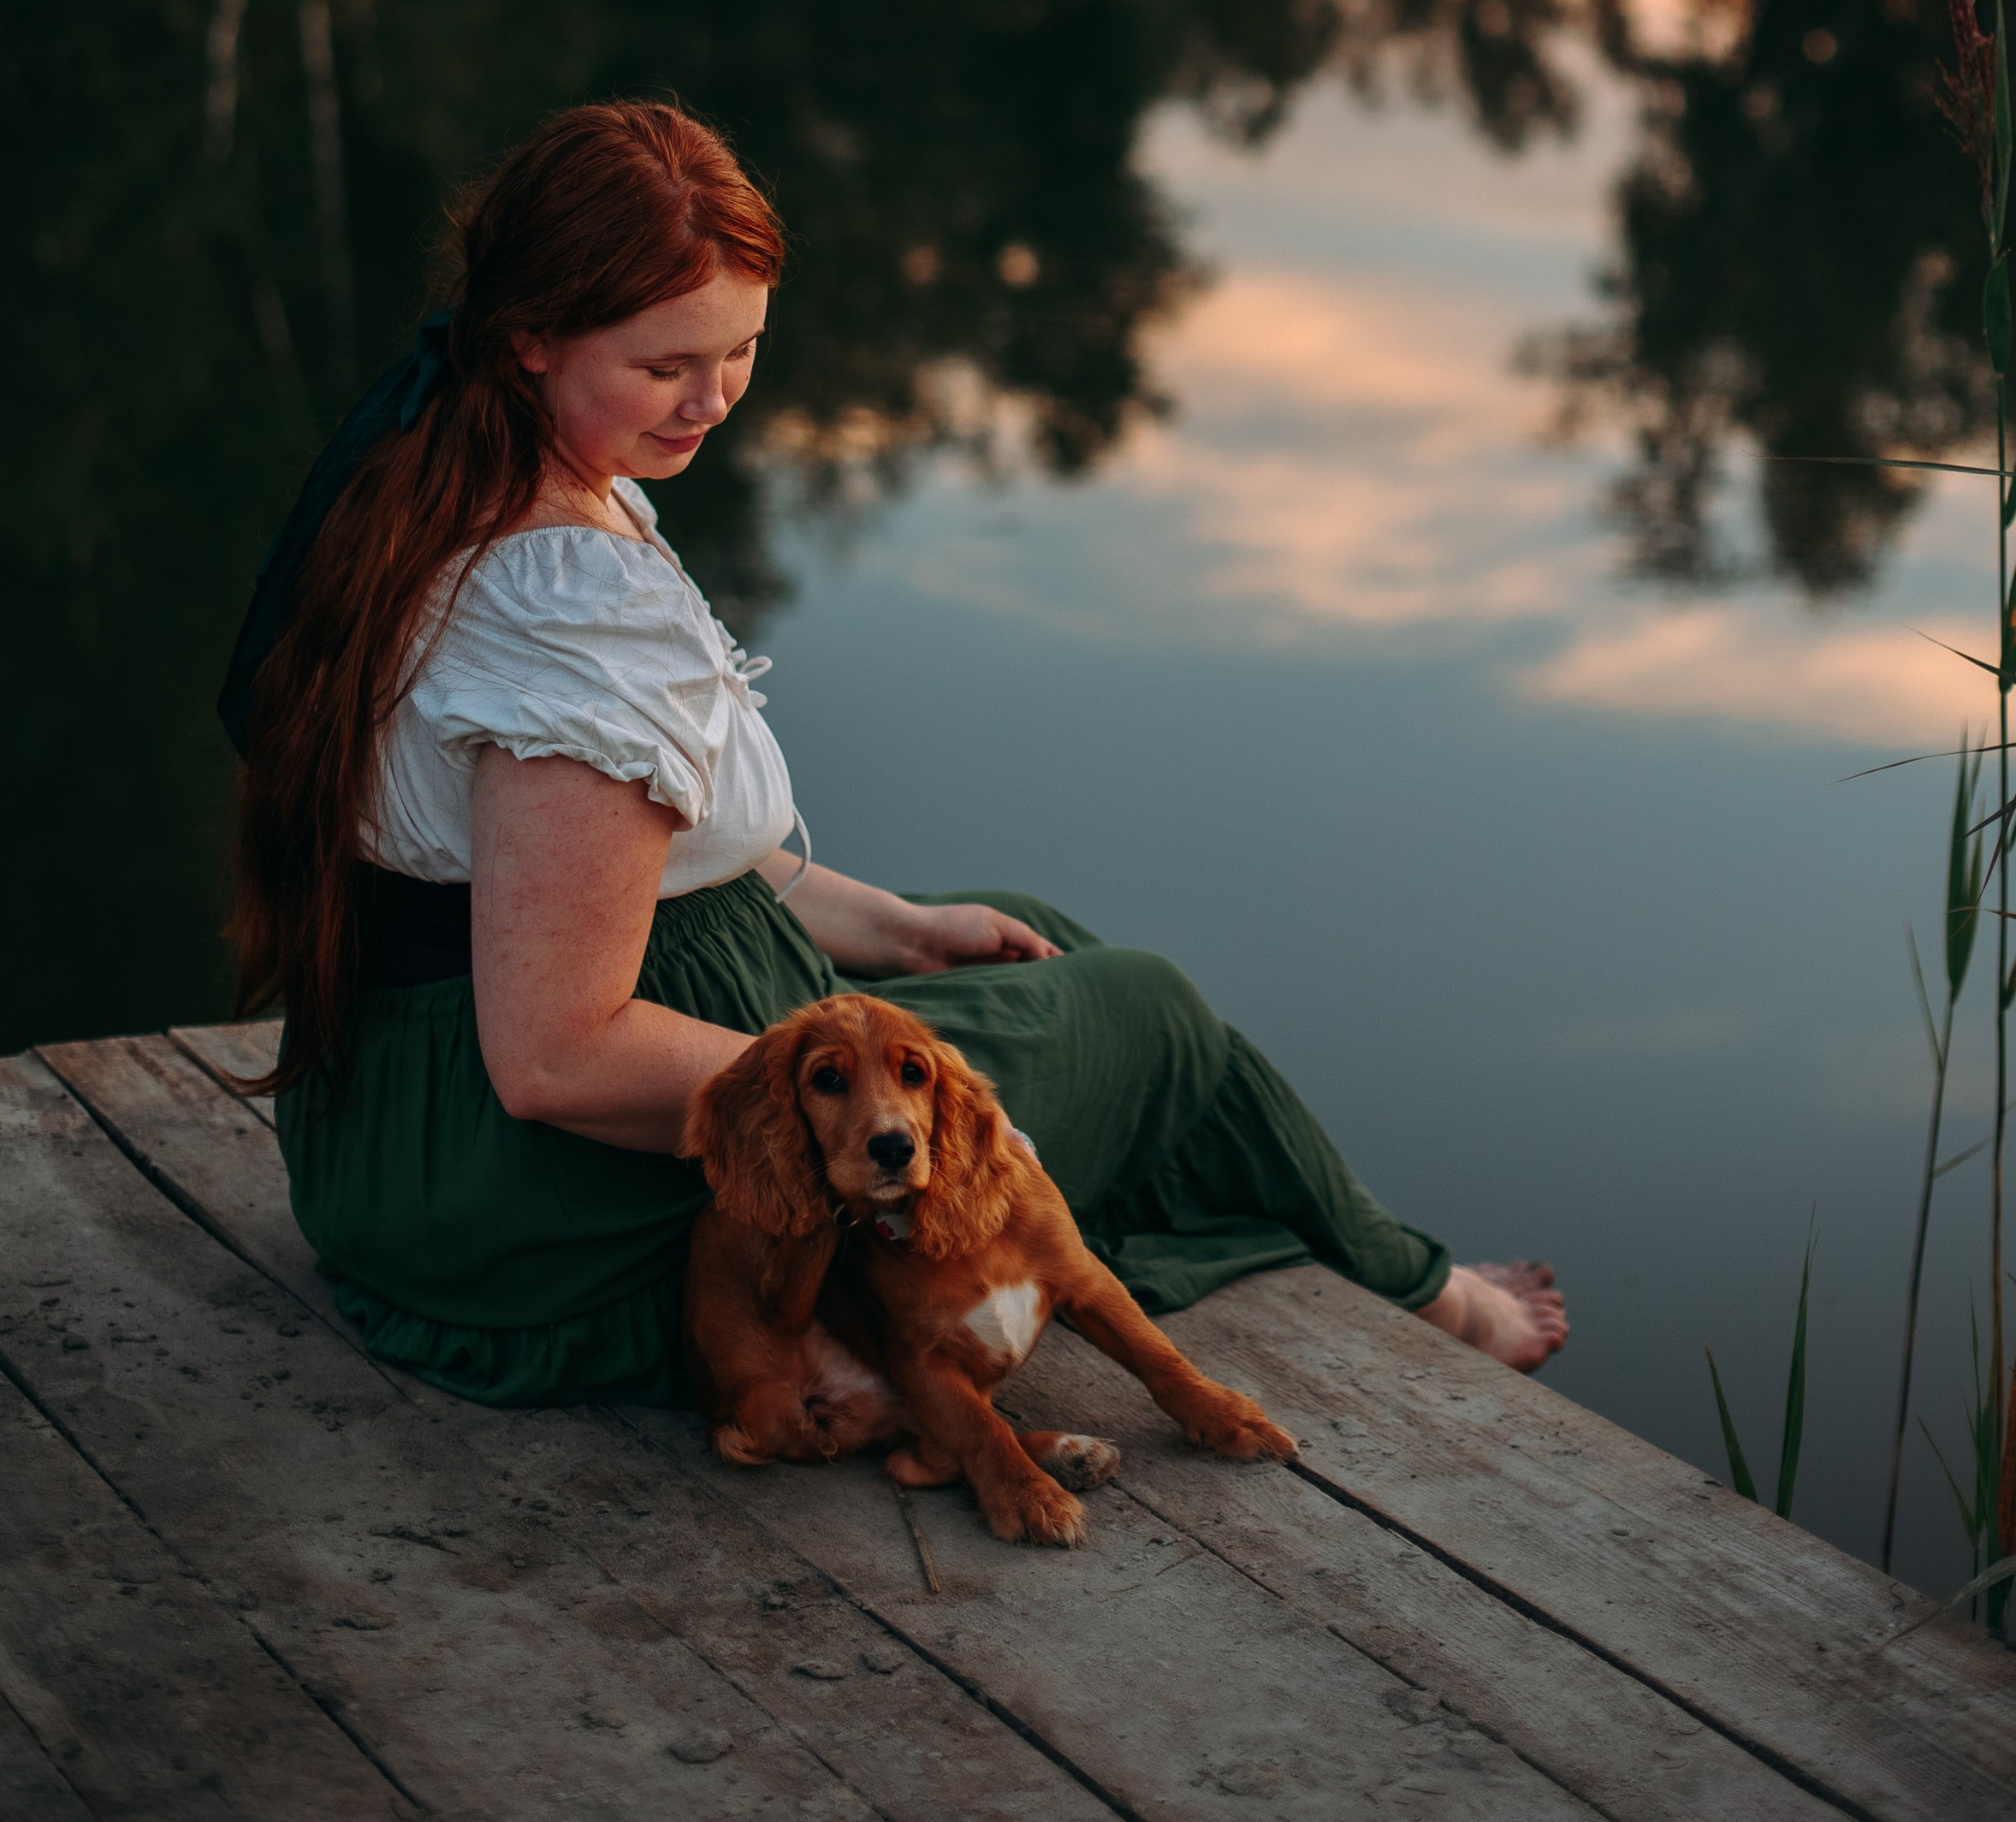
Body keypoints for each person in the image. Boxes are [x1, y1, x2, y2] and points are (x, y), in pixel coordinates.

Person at [228, 99, 1567, 1409]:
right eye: (667, 365)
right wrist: (886, 1130)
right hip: (535, 1211)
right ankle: (1429, 1297)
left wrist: (901, 931)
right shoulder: (562, 603)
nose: (714, 400)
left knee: (1021, 932)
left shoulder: (453, 471)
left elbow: (643, 862)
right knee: (1151, 1014)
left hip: (401, 1143)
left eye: (741, 349)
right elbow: (559, 1056)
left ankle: (1121, 1225)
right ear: (530, 340)